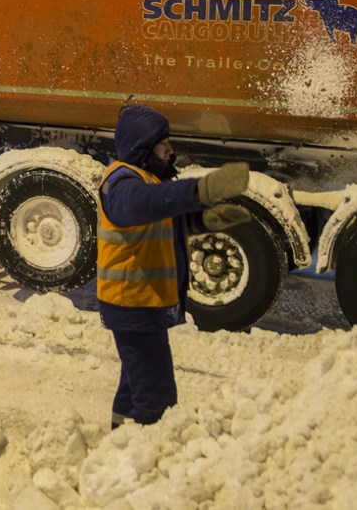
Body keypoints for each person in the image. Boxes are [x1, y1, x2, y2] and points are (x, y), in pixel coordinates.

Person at [97, 102, 251, 428]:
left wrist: (204, 220)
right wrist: (199, 191)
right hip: (132, 303)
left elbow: (161, 224)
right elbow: (142, 207)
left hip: (142, 304)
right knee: (158, 398)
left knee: (136, 384)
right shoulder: (122, 183)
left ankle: (119, 445)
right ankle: (146, 455)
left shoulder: (148, 180)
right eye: (163, 144)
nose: (170, 151)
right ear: (143, 147)